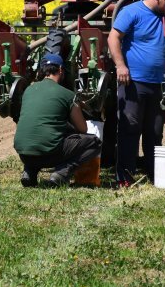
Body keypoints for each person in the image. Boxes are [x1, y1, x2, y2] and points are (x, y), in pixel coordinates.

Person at [107, 0, 165, 186]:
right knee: (129, 128)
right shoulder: (132, 12)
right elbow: (113, 38)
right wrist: (120, 66)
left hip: (158, 83)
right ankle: (124, 178)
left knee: (154, 132)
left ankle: (155, 176)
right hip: (133, 81)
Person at [13, 53, 101, 187]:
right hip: (49, 153)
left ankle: (29, 171)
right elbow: (82, 129)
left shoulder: (28, 91)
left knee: (39, 138)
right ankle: (61, 174)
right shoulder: (67, 95)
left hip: (23, 153)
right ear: (60, 70)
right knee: (94, 143)